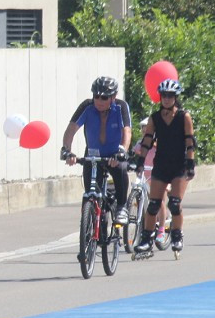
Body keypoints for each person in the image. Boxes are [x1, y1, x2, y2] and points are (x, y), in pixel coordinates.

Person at [130, 79, 196, 253]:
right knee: (153, 205)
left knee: (174, 203)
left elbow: (190, 142)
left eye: (170, 96)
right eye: (163, 96)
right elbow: (147, 142)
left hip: (179, 166)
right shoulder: (155, 118)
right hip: (161, 165)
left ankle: (176, 235)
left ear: (175, 97)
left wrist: (190, 163)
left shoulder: (184, 116)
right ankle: (146, 239)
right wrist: (140, 161)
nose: (166, 99)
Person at [60, 76, 133, 225]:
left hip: (114, 154)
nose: (99, 100)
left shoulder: (121, 107)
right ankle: (92, 223)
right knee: (91, 192)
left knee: (120, 169)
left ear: (113, 97)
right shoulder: (87, 106)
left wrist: (122, 151)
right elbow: (71, 129)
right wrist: (67, 150)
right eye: (96, 96)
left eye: (104, 97)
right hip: (93, 155)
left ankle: (121, 207)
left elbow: (127, 131)